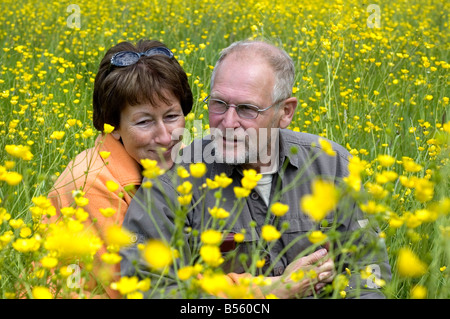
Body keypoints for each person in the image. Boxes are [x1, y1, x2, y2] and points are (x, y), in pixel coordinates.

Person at [120, 39, 391, 299]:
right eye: (219, 104)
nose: (228, 122)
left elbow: (369, 274)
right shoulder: (173, 180)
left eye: (247, 109)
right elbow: (150, 290)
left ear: (285, 112)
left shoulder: (331, 164)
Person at [48, 39, 193, 298]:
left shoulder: (178, 161)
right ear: (112, 127)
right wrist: (260, 288)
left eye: (172, 116)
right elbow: (136, 286)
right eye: (144, 121)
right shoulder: (89, 185)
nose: (165, 136)